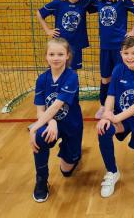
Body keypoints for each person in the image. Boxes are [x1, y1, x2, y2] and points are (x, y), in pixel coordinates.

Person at [96, 36, 134, 198]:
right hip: (123, 120)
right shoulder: (118, 69)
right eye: (126, 53)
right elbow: (111, 95)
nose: (130, 57)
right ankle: (112, 172)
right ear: (121, 53)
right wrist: (107, 116)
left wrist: (116, 117)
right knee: (103, 129)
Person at [29, 38, 83, 202]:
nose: (56, 58)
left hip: (72, 125)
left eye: (60, 54)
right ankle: (41, 180)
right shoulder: (42, 79)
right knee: (40, 137)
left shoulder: (71, 76)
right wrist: (50, 123)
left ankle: (70, 151)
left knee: (66, 171)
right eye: (51, 54)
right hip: (54, 123)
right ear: (46, 56)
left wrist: (33, 127)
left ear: (67, 56)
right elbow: (41, 110)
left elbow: (56, 106)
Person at [94, 0, 134, 119]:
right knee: (105, 78)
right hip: (105, 47)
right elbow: (76, 0)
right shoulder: (97, 1)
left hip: (119, 48)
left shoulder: (123, 0)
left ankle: (119, 106)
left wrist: (133, 31)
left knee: (120, 76)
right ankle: (103, 105)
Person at [37, 0, 96, 71]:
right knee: (57, 68)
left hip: (76, 44)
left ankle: (72, 86)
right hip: (60, 43)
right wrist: (47, 30)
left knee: (73, 71)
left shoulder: (84, 3)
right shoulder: (58, 3)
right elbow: (39, 13)